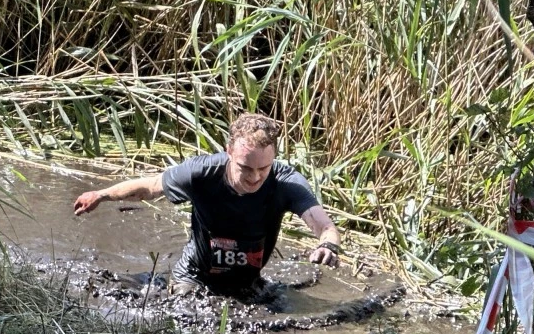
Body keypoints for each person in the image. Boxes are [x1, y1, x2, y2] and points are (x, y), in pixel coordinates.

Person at [73, 113, 341, 296]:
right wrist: (102, 194)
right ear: (229, 151)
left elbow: (323, 224)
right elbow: (150, 187)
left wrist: (327, 245)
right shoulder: (200, 174)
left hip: (247, 283)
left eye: (264, 168)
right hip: (193, 276)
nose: (255, 177)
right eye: (245, 167)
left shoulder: (286, 183)